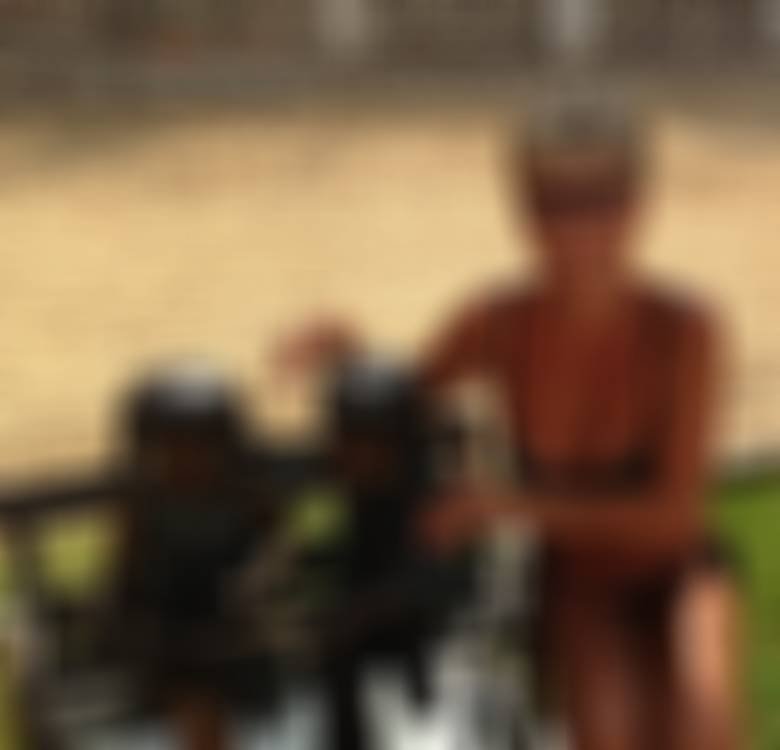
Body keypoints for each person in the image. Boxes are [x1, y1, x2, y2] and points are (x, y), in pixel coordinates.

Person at [275, 91, 743, 750]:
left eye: (601, 200)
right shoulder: (498, 324)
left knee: (702, 715)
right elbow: (403, 398)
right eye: (554, 203)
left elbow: (674, 515)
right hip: (580, 577)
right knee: (611, 730)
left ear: (638, 205)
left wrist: (504, 504)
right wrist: (350, 354)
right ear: (523, 210)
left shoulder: (685, 331)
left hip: (678, 569)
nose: (578, 228)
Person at [114, 362, 273, 750]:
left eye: (202, 446)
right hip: (175, 643)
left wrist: (254, 586)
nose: (189, 460)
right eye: (174, 447)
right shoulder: (146, 508)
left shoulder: (245, 499)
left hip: (235, 638)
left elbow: (272, 551)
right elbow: (130, 578)